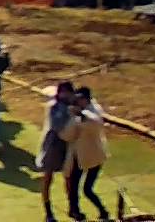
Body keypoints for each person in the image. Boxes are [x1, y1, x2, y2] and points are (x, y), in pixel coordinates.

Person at [61, 87, 110, 222]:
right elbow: (67, 135)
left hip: (94, 155)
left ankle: (103, 212)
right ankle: (75, 211)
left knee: (87, 189)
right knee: (73, 186)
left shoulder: (95, 109)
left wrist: (81, 115)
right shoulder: (73, 111)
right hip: (78, 155)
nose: (78, 101)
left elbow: (96, 123)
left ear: (87, 99)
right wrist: (74, 119)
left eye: (81, 99)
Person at [37, 81, 76, 222]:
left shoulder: (74, 104)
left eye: (68, 92)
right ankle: (48, 212)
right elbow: (56, 125)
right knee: (47, 178)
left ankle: (72, 208)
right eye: (63, 92)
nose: (65, 95)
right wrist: (69, 112)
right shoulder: (54, 106)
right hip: (53, 146)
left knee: (69, 178)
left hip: (69, 146)